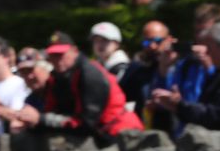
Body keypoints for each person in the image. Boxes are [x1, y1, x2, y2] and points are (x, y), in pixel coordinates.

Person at [12, 32, 142, 139]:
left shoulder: (90, 74)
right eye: (52, 56)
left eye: (60, 55)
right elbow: (53, 112)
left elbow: (86, 123)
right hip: (99, 136)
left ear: (74, 51)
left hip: (121, 133)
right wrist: (32, 122)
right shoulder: (57, 77)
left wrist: (41, 119)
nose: (57, 60)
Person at [12, 47, 52, 114]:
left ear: (46, 67)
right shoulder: (30, 100)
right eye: (24, 73)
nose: (29, 77)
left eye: (31, 70)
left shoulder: (59, 90)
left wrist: (40, 119)